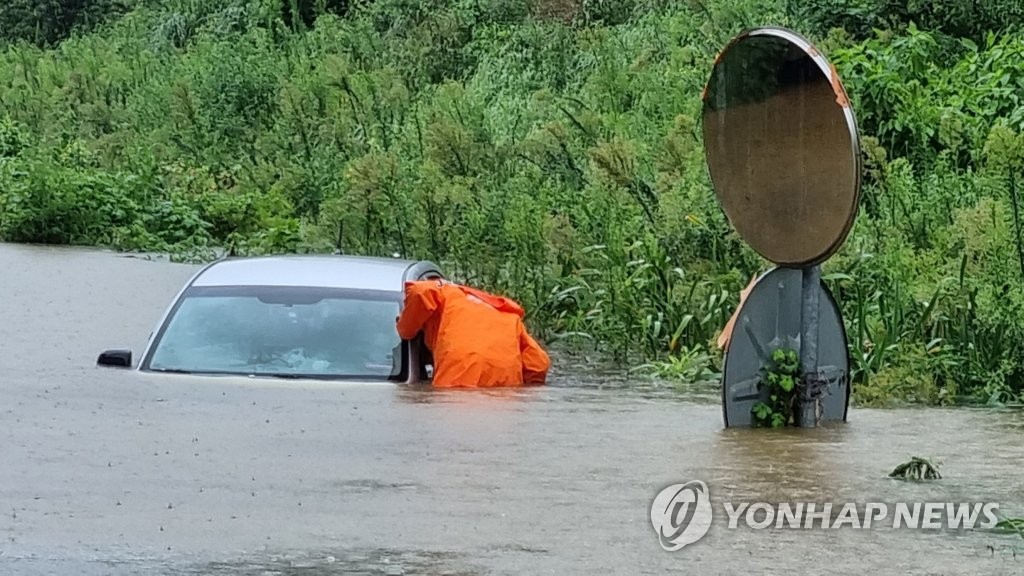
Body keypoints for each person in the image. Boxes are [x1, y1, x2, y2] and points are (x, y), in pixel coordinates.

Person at [395, 279, 551, 388]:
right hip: (506, 390)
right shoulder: (508, 316)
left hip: (460, 372)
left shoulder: (444, 291)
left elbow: (420, 291)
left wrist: (405, 329)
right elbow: (538, 364)